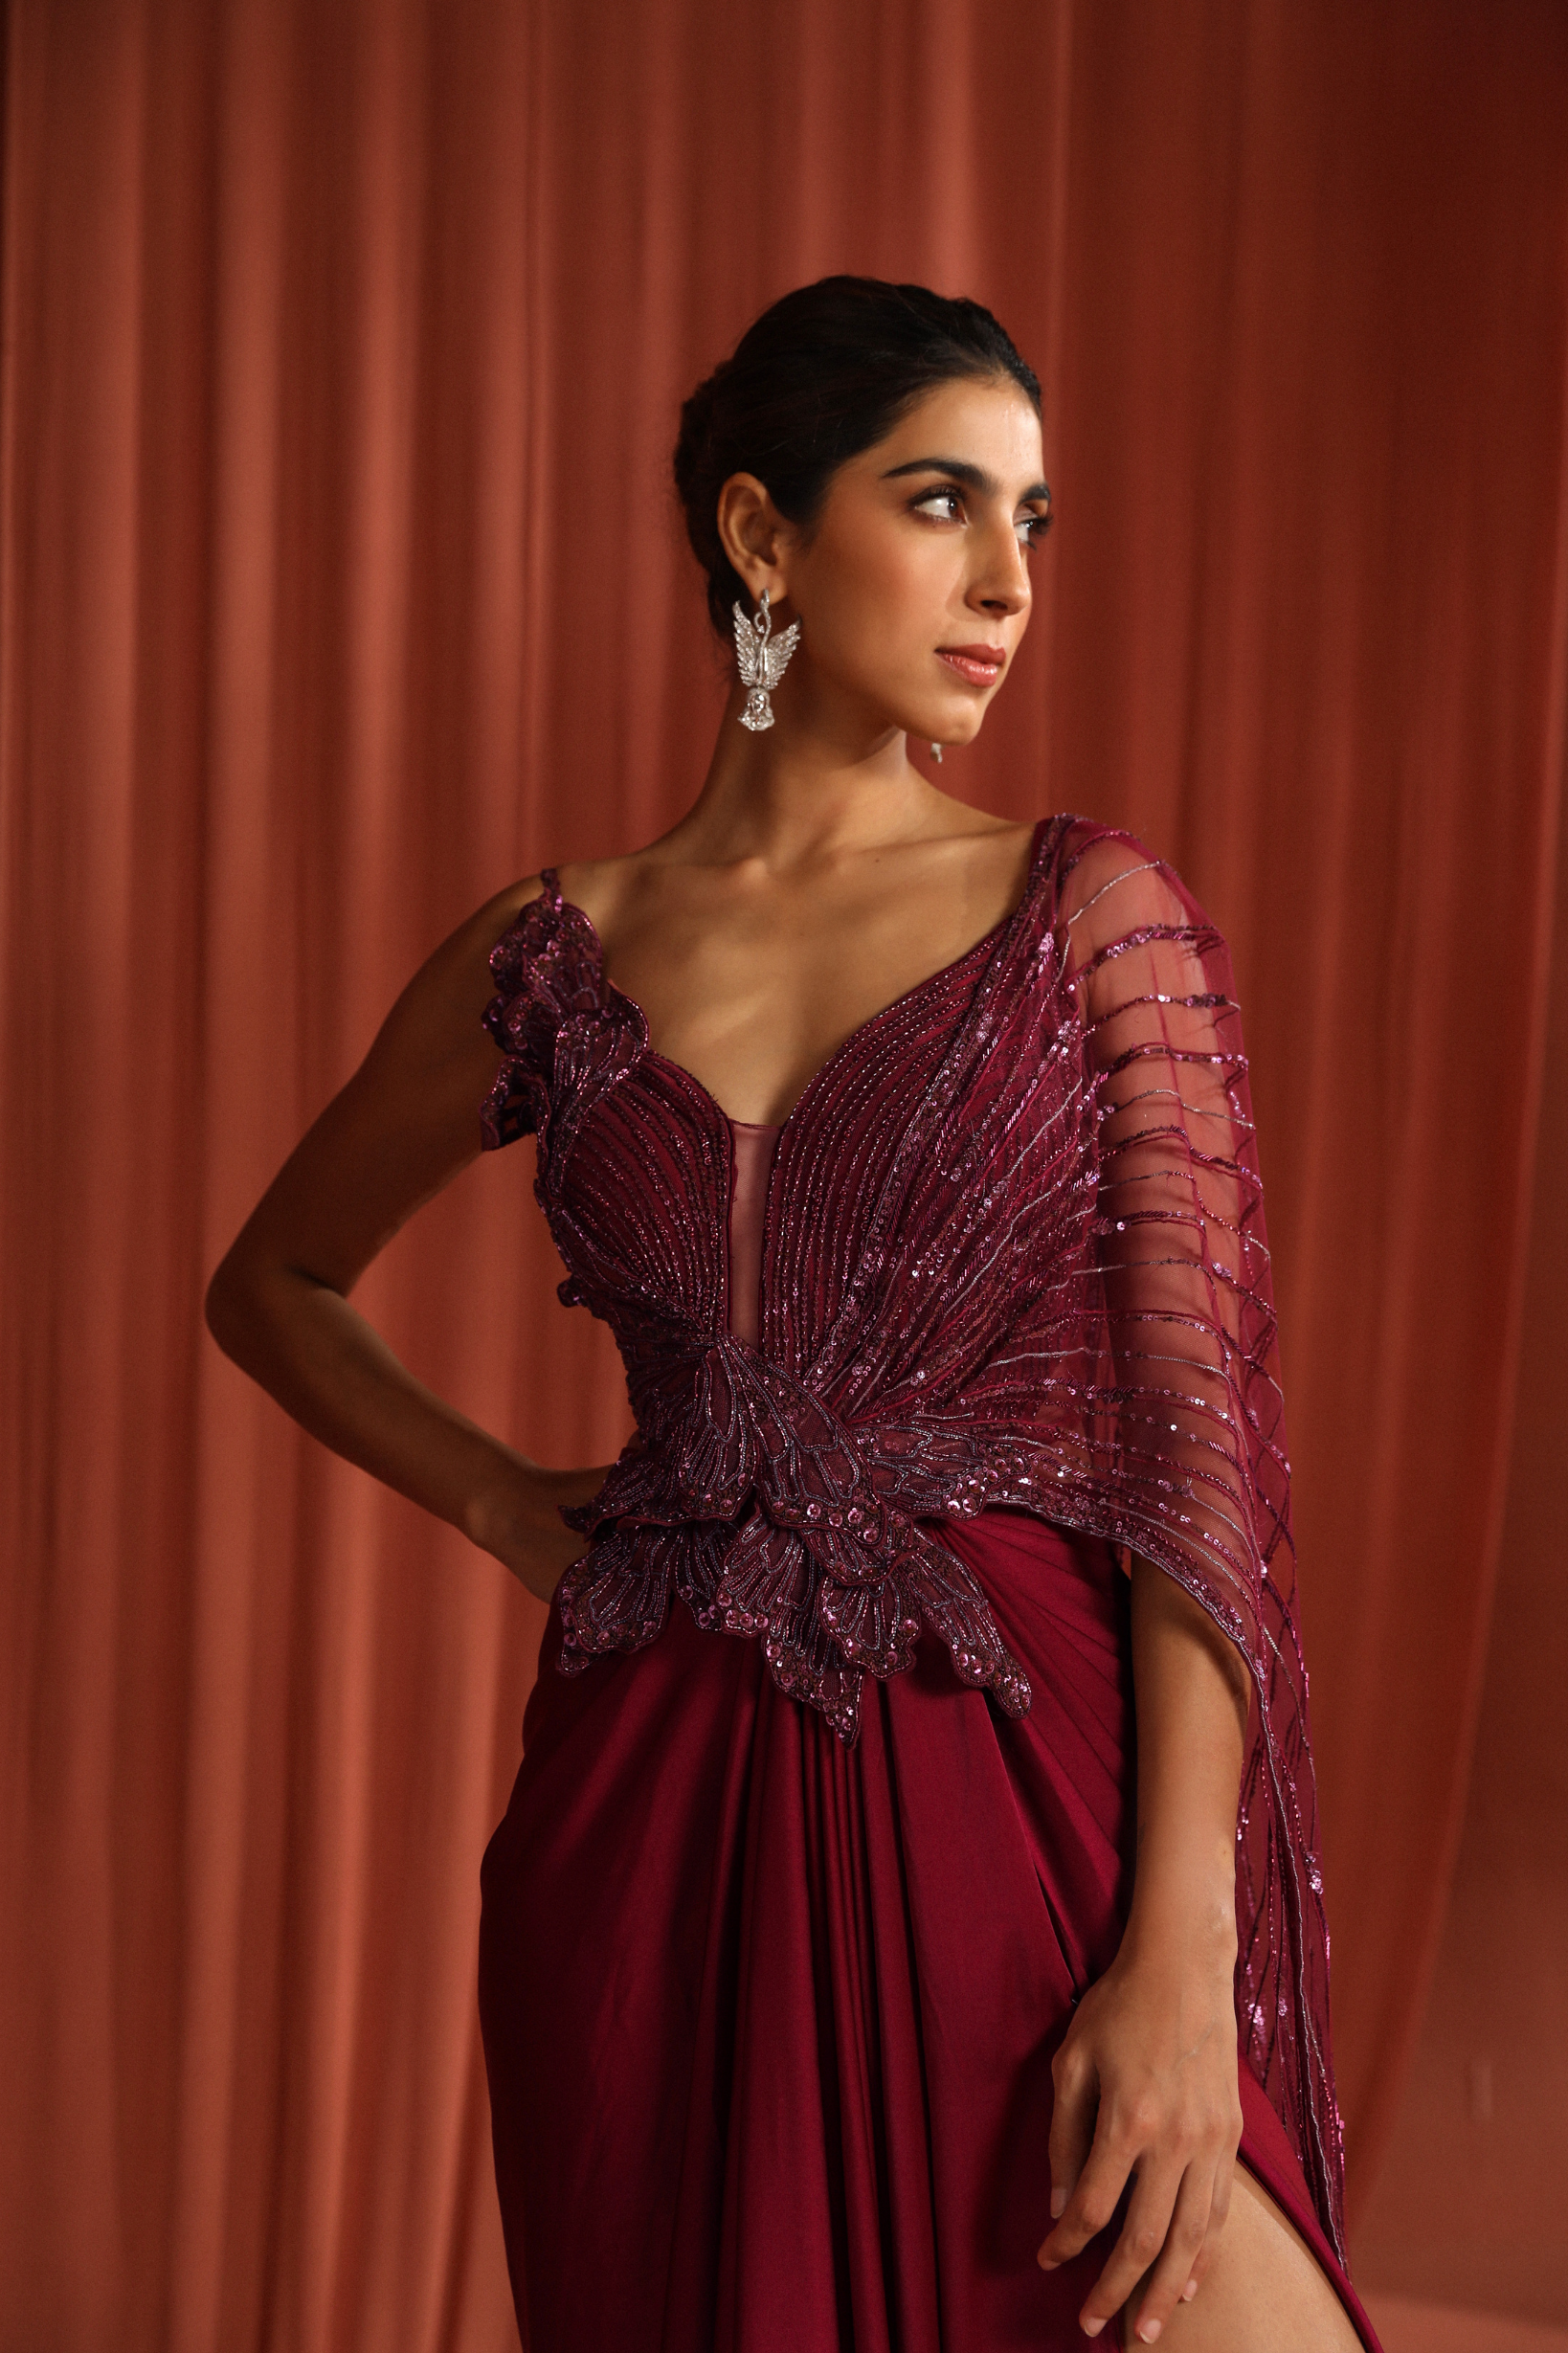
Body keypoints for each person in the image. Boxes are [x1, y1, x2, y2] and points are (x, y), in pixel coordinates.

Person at [207, 278, 1380, 2352]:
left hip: (1021, 1795)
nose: (1008, 579)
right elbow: (273, 1284)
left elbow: (1197, 1450)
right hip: (646, 1837)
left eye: (1031, 519)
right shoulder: (560, 950)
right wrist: (496, 1498)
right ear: (763, 532)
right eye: (942, 502)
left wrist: (1181, 1943)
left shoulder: (1087, 914)